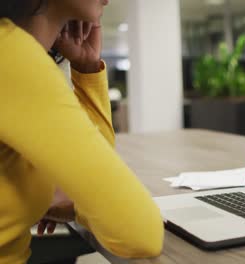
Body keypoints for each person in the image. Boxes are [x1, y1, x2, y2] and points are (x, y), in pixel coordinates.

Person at [0, 1, 164, 263]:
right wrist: (77, 205)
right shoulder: (10, 55)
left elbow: (96, 175)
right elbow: (141, 234)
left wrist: (87, 68)